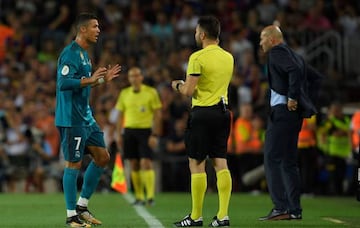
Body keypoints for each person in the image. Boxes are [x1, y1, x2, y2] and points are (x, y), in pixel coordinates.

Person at [55, 13, 121, 227]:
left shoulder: (85, 55)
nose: (98, 30)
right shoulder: (70, 54)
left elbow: (86, 83)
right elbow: (64, 83)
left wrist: (101, 80)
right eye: (94, 26)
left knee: (102, 157)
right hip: (72, 118)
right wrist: (91, 79)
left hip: (86, 117)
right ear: (82, 29)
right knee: (73, 163)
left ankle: (82, 206)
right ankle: (71, 215)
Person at [171, 15, 234, 227]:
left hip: (203, 113)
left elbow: (189, 90)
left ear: (203, 34)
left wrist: (177, 84)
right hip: (223, 113)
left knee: (196, 164)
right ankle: (223, 216)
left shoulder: (197, 57)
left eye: (196, 32)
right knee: (220, 162)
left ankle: (196, 217)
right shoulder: (228, 57)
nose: (195, 34)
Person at [258, 25, 322, 221]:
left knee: (271, 159)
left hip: (282, 113)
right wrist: (305, 102)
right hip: (293, 116)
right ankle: (294, 209)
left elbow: (293, 71)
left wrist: (294, 97)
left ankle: (281, 207)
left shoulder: (277, 53)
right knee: (288, 162)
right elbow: (316, 78)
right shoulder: (295, 55)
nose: (260, 43)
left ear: (272, 39)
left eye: (262, 38)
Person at [115, 67, 162, 206]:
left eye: (136, 75)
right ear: (129, 79)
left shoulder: (151, 92)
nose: (134, 78)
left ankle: (151, 196)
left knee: (146, 162)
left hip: (145, 131)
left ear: (141, 77)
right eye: (131, 76)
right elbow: (120, 115)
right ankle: (139, 196)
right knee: (134, 164)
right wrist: (118, 134)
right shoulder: (124, 93)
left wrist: (155, 134)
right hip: (129, 131)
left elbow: (158, 115)